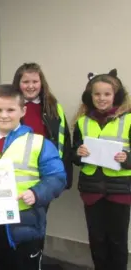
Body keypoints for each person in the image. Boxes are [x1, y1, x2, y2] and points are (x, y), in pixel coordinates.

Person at [0, 85, 66, 270]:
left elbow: (57, 177)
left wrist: (36, 193)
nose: (4, 115)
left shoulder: (39, 143)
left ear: (23, 111)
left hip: (24, 225)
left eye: (10, 110)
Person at [72, 69, 131, 270]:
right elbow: (74, 155)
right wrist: (78, 152)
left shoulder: (129, 119)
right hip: (92, 190)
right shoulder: (82, 121)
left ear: (116, 96)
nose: (102, 98)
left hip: (120, 190)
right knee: (96, 239)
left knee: (118, 240)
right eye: (97, 94)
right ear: (90, 96)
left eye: (107, 94)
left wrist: (127, 158)